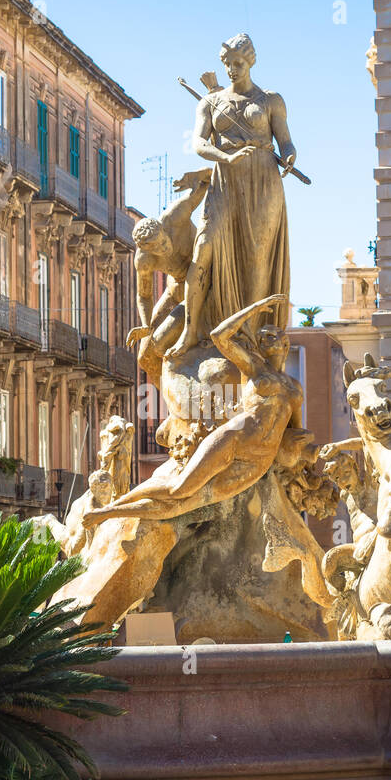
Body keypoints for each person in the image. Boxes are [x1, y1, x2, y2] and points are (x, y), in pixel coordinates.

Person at [83, 294, 300, 527]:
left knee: (184, 503)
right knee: (178, 488)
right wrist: (253, 308)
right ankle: (109, 510)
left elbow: (294, 429)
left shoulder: (294, 388)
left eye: (270, 336)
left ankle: (108, 512)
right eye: (261, 337)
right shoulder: (254, 367)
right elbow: (219, 336)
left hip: (259, 460)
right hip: (233, 438)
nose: (264, 340)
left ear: (285, 343)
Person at [169, 33, 296, 358]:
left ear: (250, 61)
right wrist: (224, 157)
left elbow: (285, 141)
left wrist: (291, 155)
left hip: (264, 182)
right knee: (205, 248)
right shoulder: (209, 102)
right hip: (225, 180)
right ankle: (190, 332)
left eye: (238, 63)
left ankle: (249, 339)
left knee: (258, 257)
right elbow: (198, 143)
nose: (232, 70)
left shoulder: (270, 100)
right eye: (228, 64)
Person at [128, 168, 213, 382]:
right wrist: (146, 324)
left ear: (164, 229)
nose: (164, 248)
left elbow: (206, 184)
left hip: (203, 283)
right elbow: (144, 295)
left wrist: (198, 175)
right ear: (146, 249)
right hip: (176, 291)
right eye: (157, 248)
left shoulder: (175, 215)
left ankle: (187, 392)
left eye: (164, 241)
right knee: (145, 357)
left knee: (158, 343)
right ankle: (174, 410)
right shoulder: (144, 260)